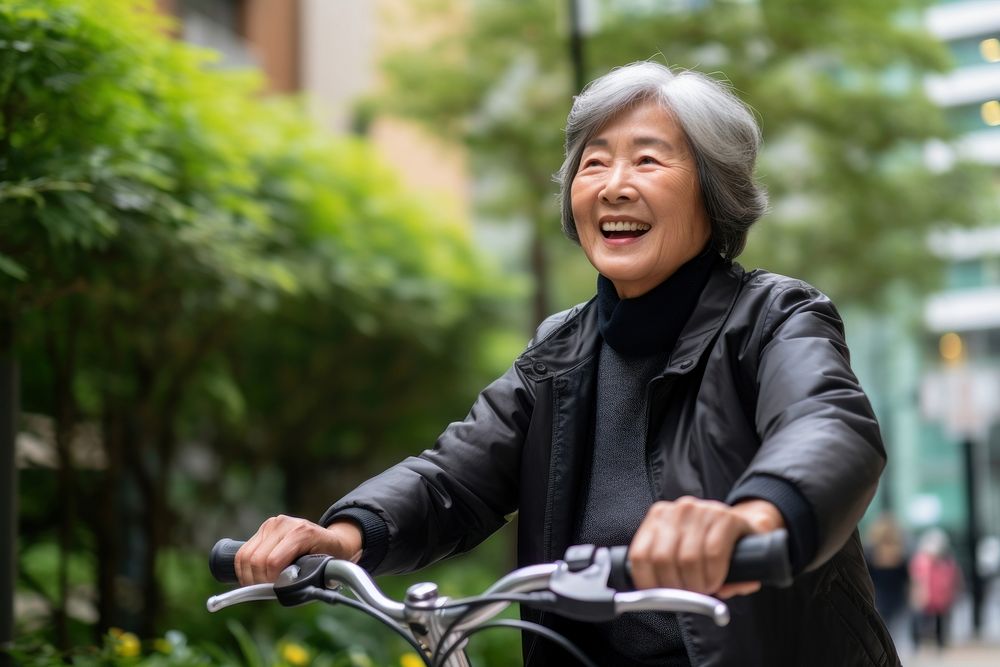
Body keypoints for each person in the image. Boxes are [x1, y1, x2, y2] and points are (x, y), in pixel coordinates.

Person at [235, 62, 898, 666]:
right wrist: (345, 533)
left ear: (712, 191)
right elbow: (454, 475)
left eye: (647, 160)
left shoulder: (774, 316)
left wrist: (752, 517)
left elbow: (829, 426)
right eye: (594, 163)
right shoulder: (559, 351)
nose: (614, 186)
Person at [909, 528, 960, 651]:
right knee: (920, 618)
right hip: (925, 595)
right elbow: (917, 579)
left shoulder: (947, 561)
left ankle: (939, 642)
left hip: (940, 596)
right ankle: (918, 642)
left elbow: (953, 578)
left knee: (940, 620)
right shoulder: (921, 561)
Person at [865, 513, 911, 645]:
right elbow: (906, 579)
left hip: (879, 598)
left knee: (882, 637)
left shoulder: (871, 554)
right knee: (895, 636)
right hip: (895, 599)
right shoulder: (900, 554)